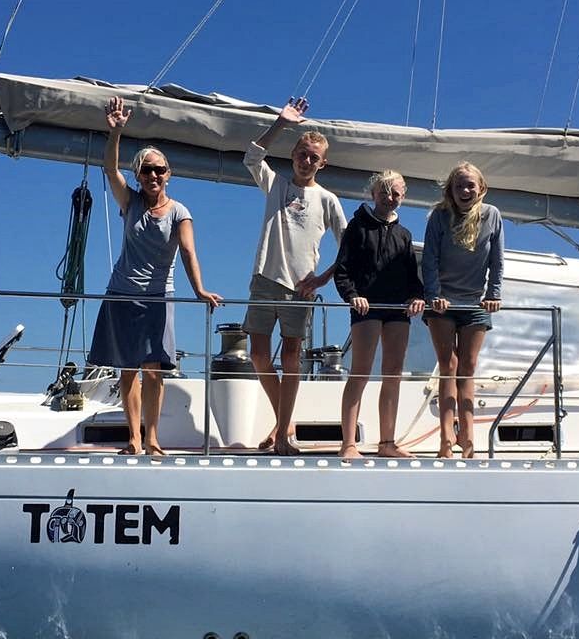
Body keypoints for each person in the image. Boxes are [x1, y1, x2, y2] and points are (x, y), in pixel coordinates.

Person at [88, 96, 222, 456]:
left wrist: (200, 290)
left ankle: (153, 438)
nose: (153, 176)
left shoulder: (179, 211)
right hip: (121, 293)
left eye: (159, 170)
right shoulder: (130, 203)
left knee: (154, 369)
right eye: (147, 170)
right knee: (128, 368)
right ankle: (133, 438)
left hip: (158, 296)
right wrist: (115, 133)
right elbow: (108, 169)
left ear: (169, 174)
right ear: (139, 175)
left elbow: (189, 251)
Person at [242, 97, 347, 456]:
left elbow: (349, 247)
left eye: (313, 157)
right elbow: (252, 158)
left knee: (291, 359)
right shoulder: (276, 185)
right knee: (257, 356)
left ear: (323, 162)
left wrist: (323, 279)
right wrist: (281, 123)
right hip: (265, 278)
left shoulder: (329, 200)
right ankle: (283, 420)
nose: (306, 161)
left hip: (301, 287)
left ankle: (284, 436)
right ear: (293, 156)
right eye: (302, 154)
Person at [334, 171, 425, 459]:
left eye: (396, 193)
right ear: (373, 194)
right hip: (367, 307)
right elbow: (343, 269)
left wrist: (417, 296)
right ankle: (348, 443)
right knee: (360, 372)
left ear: (403, 197)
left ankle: (388, 442)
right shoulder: (357, 228)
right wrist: (352, 296)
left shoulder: (404, 235)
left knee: (393, 375)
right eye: (384, 192)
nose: (389, 198)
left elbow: (412, 275)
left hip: (398, 310)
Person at [422, 162, 504, 459]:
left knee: (468, 367)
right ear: (450, 191)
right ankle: (446, 439)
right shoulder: (439, 217)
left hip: (474, 302)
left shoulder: (492, 216)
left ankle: (468, 440)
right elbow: (429, 258)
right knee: (449, 367)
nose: (465, 191)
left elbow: (497, 259)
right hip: (442, 301)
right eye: (459, 186)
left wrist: (493, 294)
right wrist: (433, 295)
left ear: (480, 188)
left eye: (470, 185)